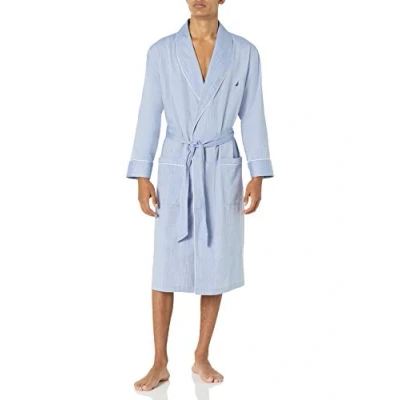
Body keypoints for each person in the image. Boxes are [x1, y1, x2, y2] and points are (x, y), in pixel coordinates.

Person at [126, 0, 274, 391]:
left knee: (216, 260)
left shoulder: (244, 53)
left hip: (221, 163)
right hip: (178, 162)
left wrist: (258, 172)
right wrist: (141, 174)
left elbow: (253, 113)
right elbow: (148, 113)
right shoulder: (161, 52)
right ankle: (159, 361)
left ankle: (202, 354)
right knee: (165, 265)